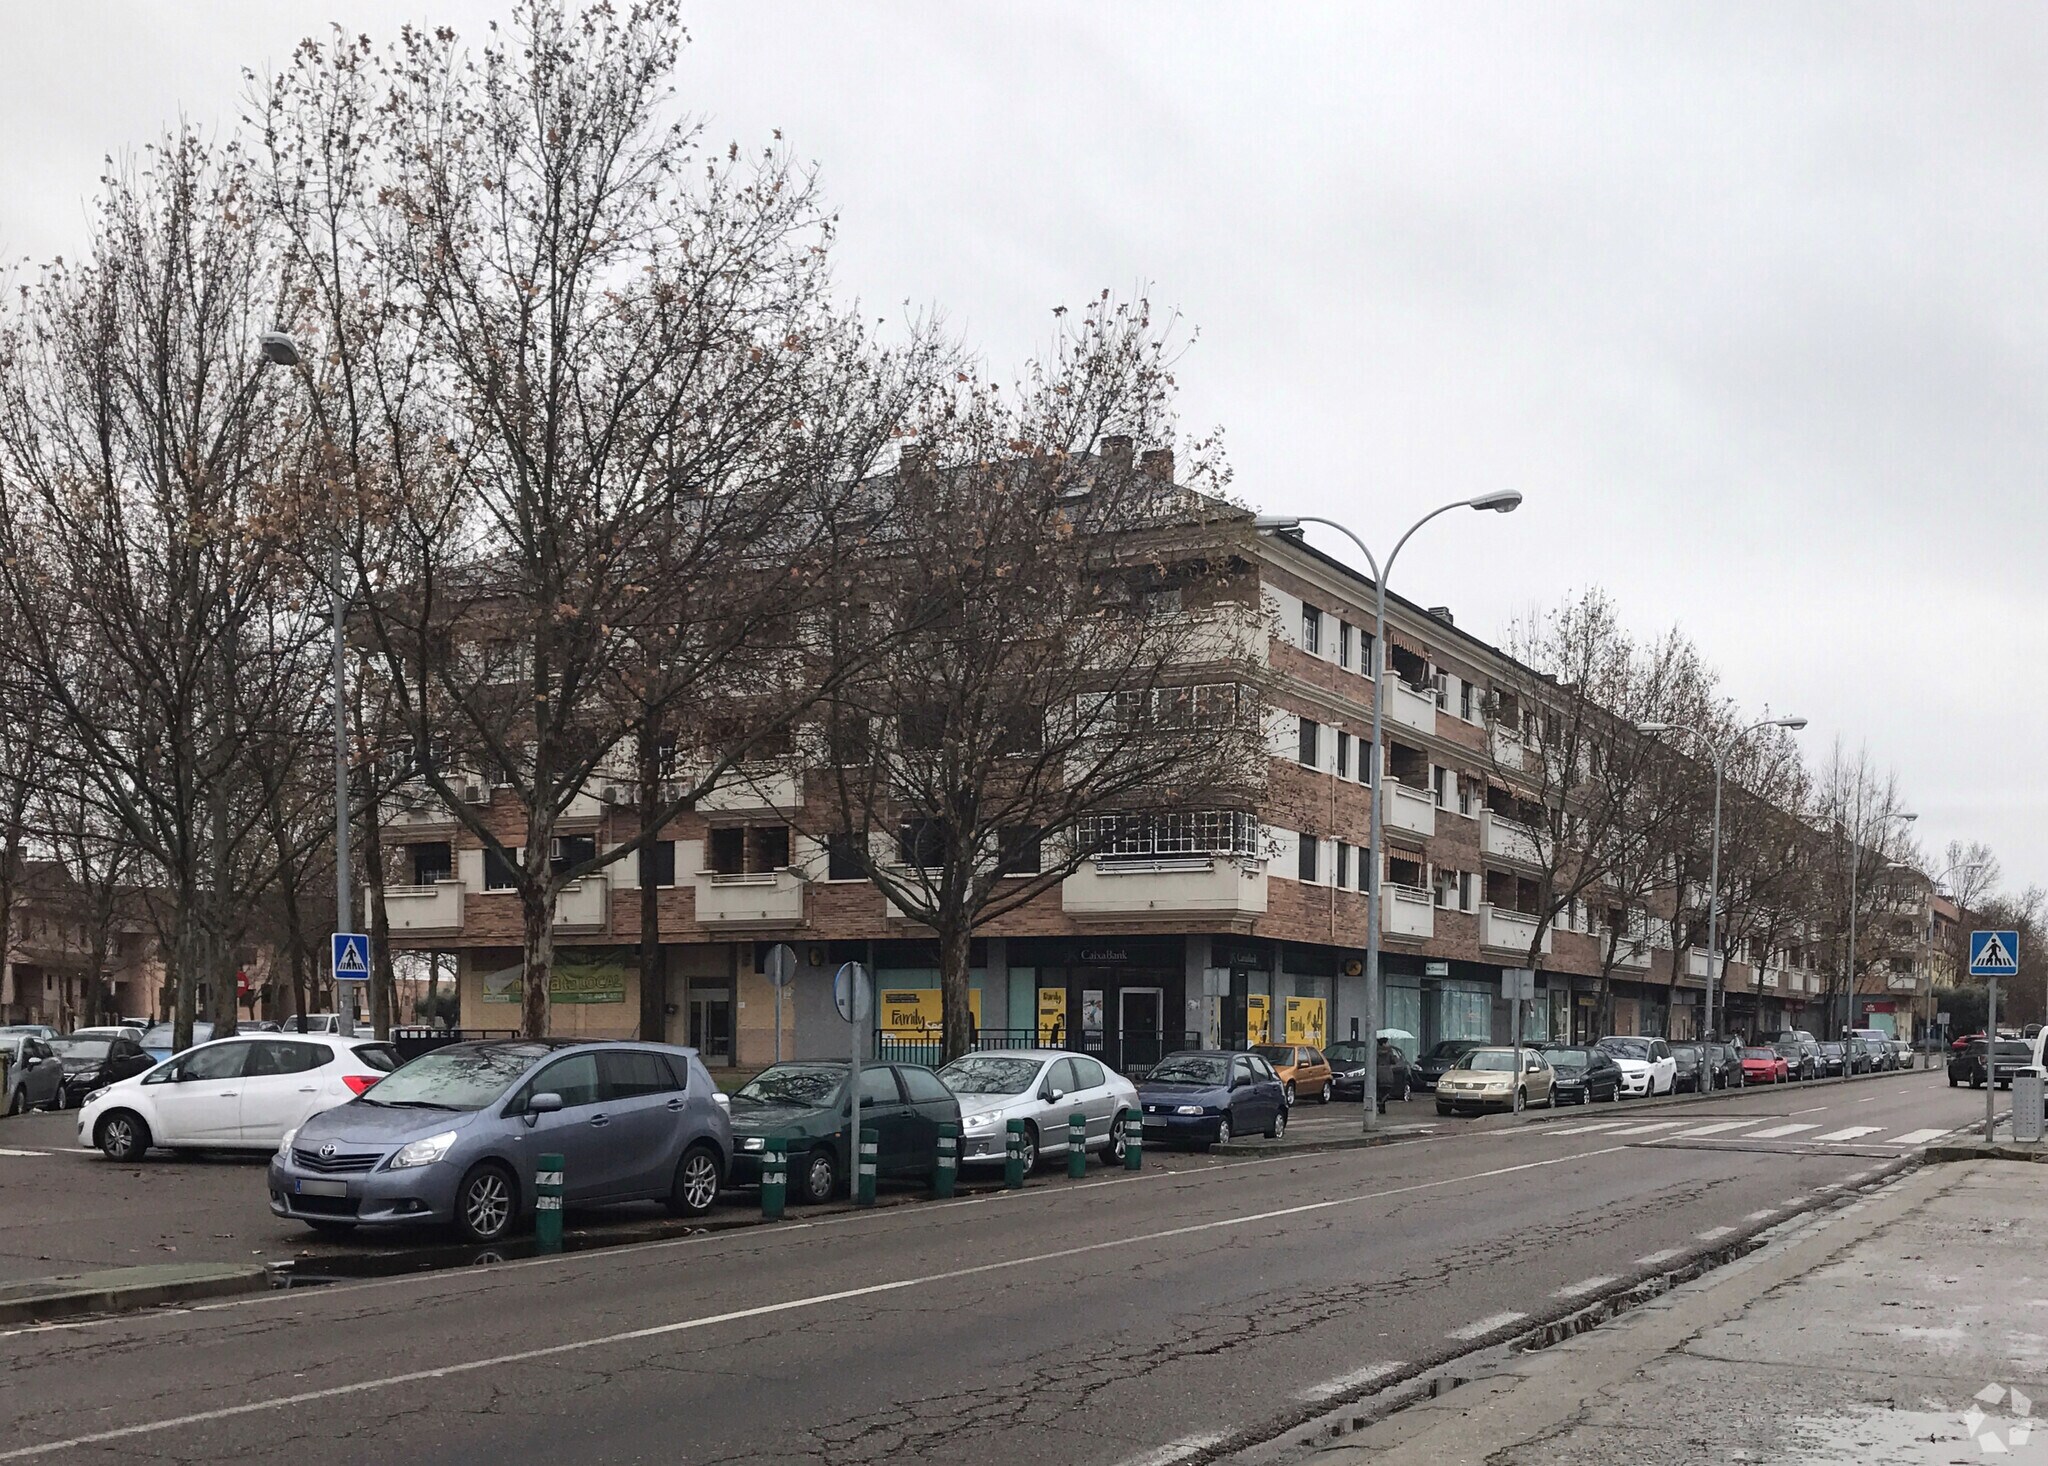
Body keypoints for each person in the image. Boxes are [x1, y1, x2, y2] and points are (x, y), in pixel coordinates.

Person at [1375, 1036, 1406, 1113]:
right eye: (1387, 1042)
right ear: (1384, 1043)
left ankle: (1382, 1106)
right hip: (1387, 1072)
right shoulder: (1389, 1051)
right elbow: (1393, 1061)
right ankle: (1381, 1102)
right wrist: (1395, 1057)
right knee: (1388, 1089)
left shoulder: (1375, 1051)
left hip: (1378, 1071)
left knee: (1380, 1090)